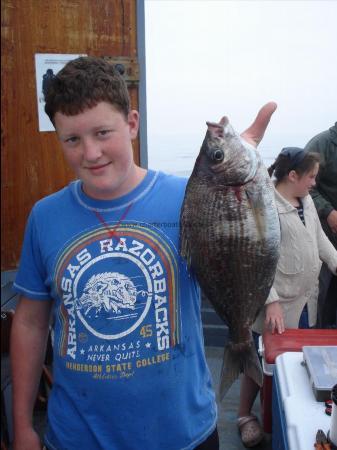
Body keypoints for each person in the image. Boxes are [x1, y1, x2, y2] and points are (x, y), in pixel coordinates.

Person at [10, 55, 276, 450]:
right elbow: (31, 324)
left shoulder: (187, 198)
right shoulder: (45, 217)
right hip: (76, 437)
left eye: (103, 132)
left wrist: (245, 171)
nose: (91, 152)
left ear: (132, 123)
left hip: (183, 435)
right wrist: (22, 424)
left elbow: (243, 242)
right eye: (72, 139)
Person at [237, 147, 337, 448]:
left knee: (291, 365)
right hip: (275, 306)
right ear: (292, 176)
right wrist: (272, 301)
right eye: (311, 177)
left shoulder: (304, 200)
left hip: (306, 300)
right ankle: (244, 416)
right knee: (261, 360)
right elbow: (253, 258)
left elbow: (319, 240)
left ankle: (275, 411)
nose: (314, 184)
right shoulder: (263, 206)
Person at [304, 124, 337, 328]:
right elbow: (301, 185)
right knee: (325, 292)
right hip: (325, 229)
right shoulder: (321, 144)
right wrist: (329, 212)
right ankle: (319, 335)